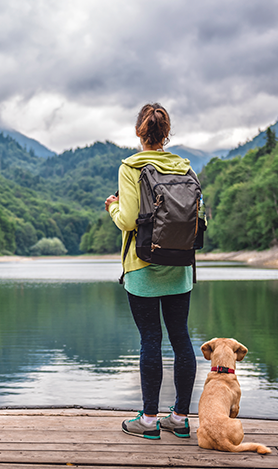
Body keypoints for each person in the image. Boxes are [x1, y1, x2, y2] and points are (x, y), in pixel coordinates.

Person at [105, 103, 197, 440]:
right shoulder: (184, 167)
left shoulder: (131, 166)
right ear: (166, 133)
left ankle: (148, 420)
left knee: (151, 340)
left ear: (138, 132)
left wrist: (113, 206)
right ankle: (181, 417)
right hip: (180, 268)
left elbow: (128, 220)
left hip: (143, 267)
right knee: (181, 338)